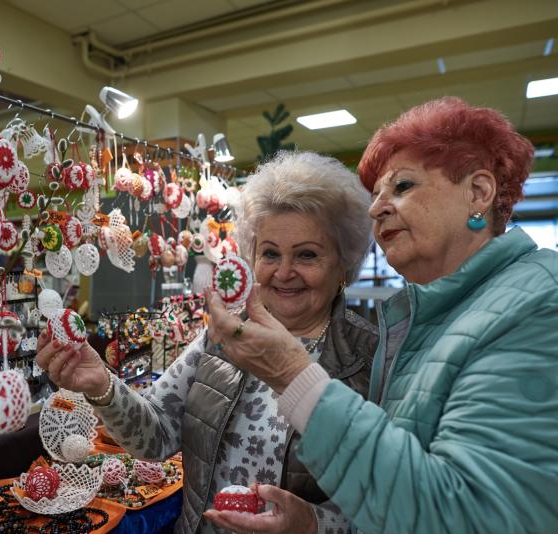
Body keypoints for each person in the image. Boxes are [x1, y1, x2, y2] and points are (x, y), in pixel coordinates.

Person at [204, 97, 558, 534]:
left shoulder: (535, 305)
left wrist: (291, 373)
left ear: (478, 193)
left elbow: (466, 514)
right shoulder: (430, 318)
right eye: (376, 195)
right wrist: (314, 523)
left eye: (403, 186)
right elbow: (397, 491)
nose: (376, 208)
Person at [36, 151, 378, 533]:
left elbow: (394, 510)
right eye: (270, 253)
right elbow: (156, 438)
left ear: (344, 263)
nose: (284, 272)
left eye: (307, 255)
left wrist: (314, 524)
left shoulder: (371, 360)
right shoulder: (222, 337)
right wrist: (102, 386)